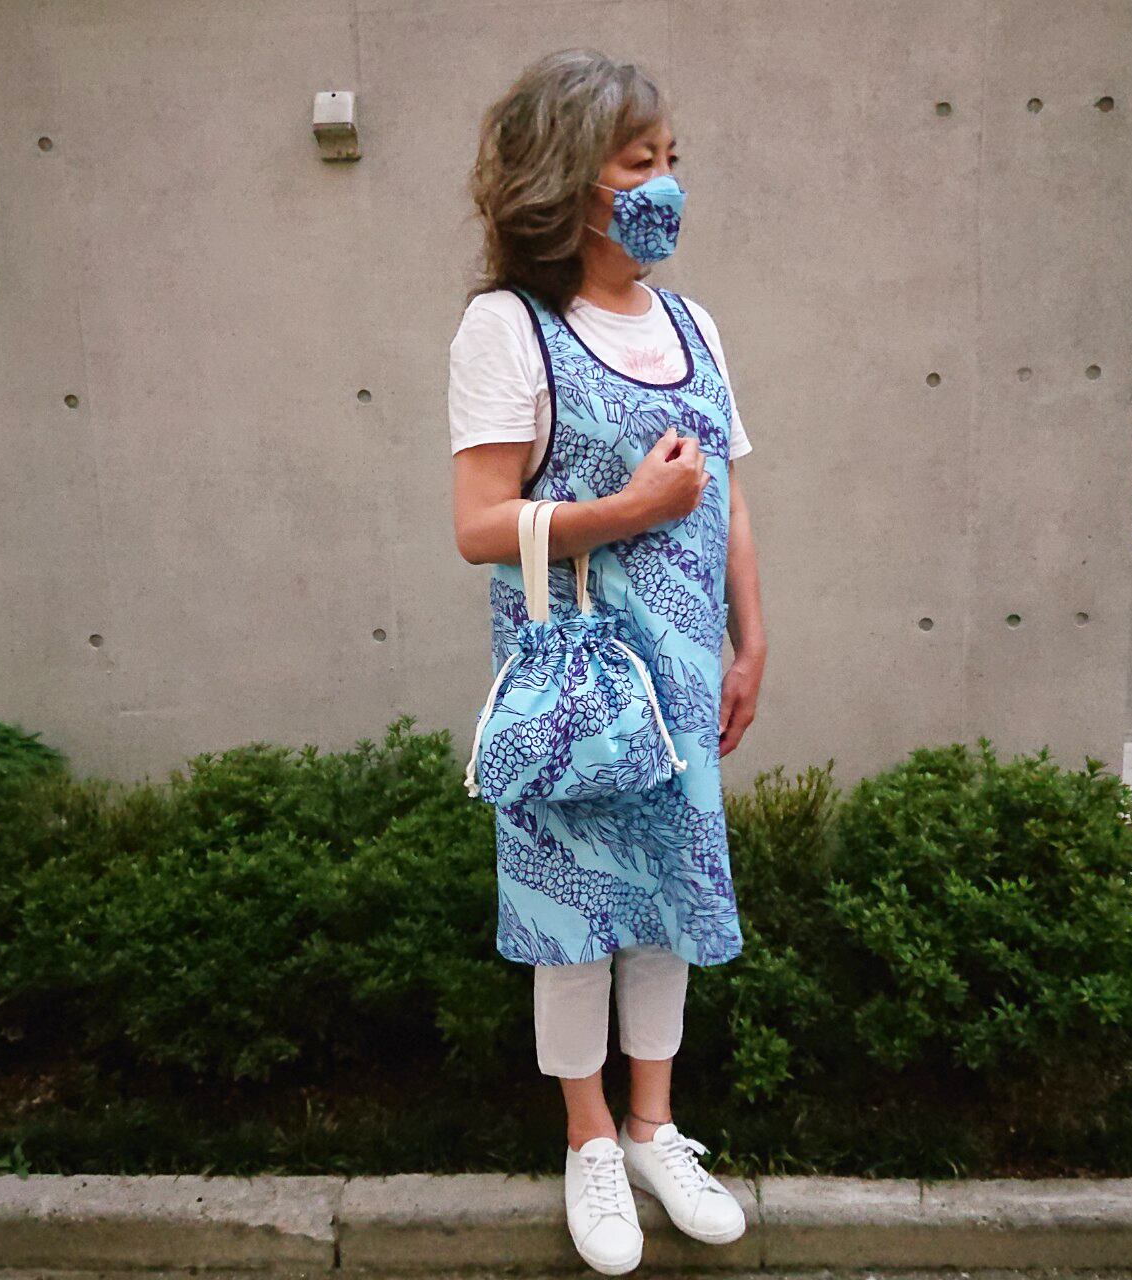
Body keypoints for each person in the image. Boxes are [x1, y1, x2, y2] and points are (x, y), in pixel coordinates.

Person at [448, 48, 767, 1276]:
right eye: (641, 162)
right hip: (575, 678)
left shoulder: (693, 324)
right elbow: (478, 524)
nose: (665, 184)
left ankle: (652, 1127)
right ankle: (586, 1139)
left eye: (670, 159)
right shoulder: (508, 326)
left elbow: (725, 495)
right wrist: (628, 511)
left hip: (680, 674)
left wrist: (749, 636)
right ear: (571, 178)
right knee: (572, 905)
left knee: (669, 897)